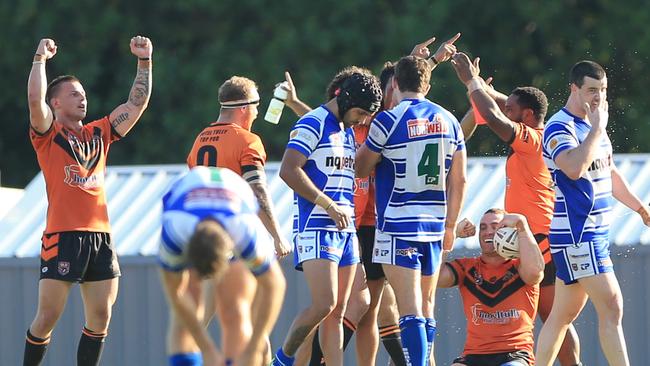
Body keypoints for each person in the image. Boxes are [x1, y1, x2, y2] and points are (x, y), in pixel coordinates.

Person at [23, 36, 152, 366]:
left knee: (100, 318)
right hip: (63, 235)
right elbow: (35, 98)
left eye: (84, 94)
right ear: (56, 104)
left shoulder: (100, 132)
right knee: (47, 316)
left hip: (100, 237)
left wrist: (144, 62)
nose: (83, 99)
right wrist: (40, 59)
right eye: (74, 95)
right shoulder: (48, 134)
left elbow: (135, 104)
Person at [450, 52, 582, 366]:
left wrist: (471, 83)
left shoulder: (534, 139)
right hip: (527, 241)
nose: (505, 111)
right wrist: (481, 87)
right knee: (551, 315)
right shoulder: (537, 135)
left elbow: (495, 118)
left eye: (512, 109)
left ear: (527, 114)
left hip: (541, 240)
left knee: (553, 315)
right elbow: (500, 106)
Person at [535, 60, 650, 366]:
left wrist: (639, 207)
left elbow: (608, 172)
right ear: (574, 89)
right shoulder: (559, 127)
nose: (598, 97)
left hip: (588, 234)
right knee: (612, 306)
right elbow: (573, 168)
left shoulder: (592, 125)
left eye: (603, 90)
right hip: (578, 233)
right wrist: (597, 129)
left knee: (561, 316)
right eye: (591, 90)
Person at [356, 55, 467, 366]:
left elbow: (361, 169)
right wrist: (450, 226)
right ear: (428, 85)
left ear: (394, 83)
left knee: (410, 310)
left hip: (397, 226)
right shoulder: (450, 121)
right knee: (427, 306)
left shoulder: (388, 120)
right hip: (434, 226)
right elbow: (459, 179)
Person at [270, 69, 382, 366]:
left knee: (339, 311)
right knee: (324, 304)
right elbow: (288, 170)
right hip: (317, 225)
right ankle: (281, 360)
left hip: (345, 230)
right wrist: (328, 204)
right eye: (359, 113)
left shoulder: (344, 129)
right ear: (344, 100)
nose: (360, 120)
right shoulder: (312, 123)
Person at [186, 76, 290, 363]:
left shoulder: (199, 140)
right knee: (252, 321)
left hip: (204, 239)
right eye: (256, 105)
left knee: (200, 322)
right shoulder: (247, 140)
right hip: (235, 238)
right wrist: (277, 235)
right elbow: (258, 189)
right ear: (244, 107)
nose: (258, 112)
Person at [159, 166, 286, 366]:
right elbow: (176, 293)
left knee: (235, 309)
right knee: (188, 303)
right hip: (187, 204)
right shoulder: (175, 231)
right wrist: (206, 348)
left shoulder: (244, 230)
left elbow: (275, 285)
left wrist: (253, 348)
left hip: (234, 203)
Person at [438, 209, 545, 366]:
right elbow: (433, 277)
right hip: (473, 355)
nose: (488, 232)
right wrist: (451, 235)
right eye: (483, 227)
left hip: (514, 355)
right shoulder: (467, 267)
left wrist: (522, 226)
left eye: (495, 227)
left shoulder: (522, 266)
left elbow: (535, 273)